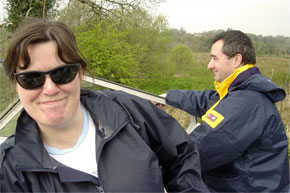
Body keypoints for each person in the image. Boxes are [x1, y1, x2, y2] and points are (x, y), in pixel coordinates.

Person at [0, 18, 209, 192]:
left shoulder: (128, 111)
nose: (50, 89)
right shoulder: (9, 169)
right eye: (31, 79)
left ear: (79, 73)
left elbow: (181, 153)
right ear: (16, 84)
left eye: (62, 73)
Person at [162, 30, 289, 192]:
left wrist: (157, 157)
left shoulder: (245, 102)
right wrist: (167, 97)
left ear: (236, 60)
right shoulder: (242, 91)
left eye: (215, 58)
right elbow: (207, 100)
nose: (209, 65)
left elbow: (196, 150)